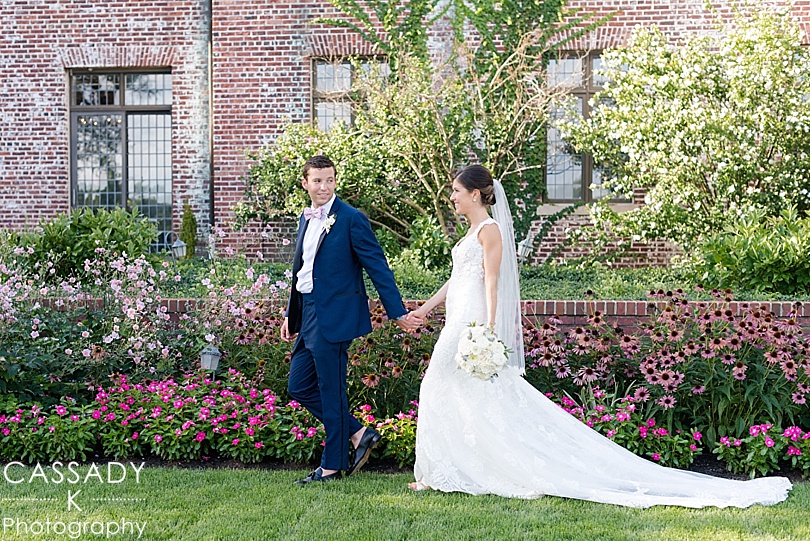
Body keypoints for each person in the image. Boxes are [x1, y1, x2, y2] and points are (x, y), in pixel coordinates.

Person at [406, 164, 792, 507]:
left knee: (440, 383)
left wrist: (489, 328)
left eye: (456, 191)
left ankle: (441, 472)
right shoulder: (471, 232)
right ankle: (450, 469)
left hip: (473, 321)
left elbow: (492, 282)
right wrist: (424, 310)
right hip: (457, 317)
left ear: (475, 194)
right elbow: (456, 279)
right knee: (457, 391)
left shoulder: (490, 231)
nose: (452, 197)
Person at [281, 155, 422, 485]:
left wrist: (397, 312)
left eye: (329, 180)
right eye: (317, 180)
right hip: (308, 311)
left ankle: (331, 467)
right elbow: (301, 271)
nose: (324, 187)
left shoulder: (351, 219)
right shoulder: (306, 218)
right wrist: (291, 313)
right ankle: (359, 433)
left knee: (331, 390)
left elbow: (378, 267)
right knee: (298, 386)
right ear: (305, 183)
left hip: (334, 315)